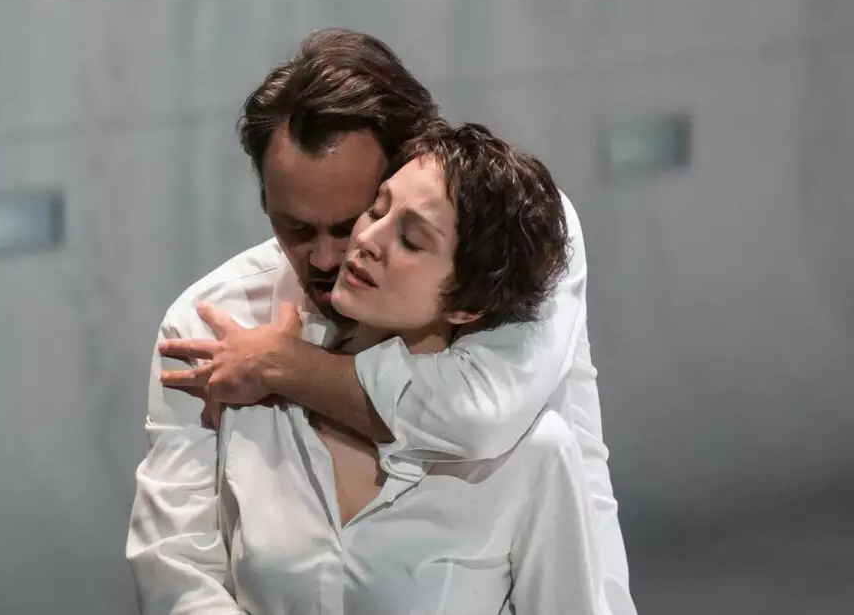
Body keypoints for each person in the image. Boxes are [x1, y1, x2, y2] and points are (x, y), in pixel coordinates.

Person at [126, 30, 636, 613]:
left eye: (350, 222)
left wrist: (285, 366)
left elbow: (480, 415)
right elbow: (174, 566)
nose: (329, 257)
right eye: (295, 228)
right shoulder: (213, 321)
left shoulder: (518, 252)